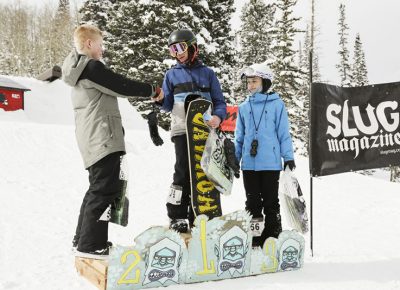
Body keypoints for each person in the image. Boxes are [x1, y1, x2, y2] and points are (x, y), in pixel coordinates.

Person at [62, 24, 162, 259]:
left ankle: (83, 239)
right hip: (102, 136)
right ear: (89, 44)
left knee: (97, 188)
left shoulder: (78, 70)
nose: (103, 49)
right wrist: (152, 90)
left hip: (93, 136)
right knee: (104, 189)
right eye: (100, 44)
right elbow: (120, 85)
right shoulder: (91, 67)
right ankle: (92, 245)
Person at [152, 29, 227, 233]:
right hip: (181, 130)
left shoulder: (208, 74)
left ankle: (201, 213)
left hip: (204, 131)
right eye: (172, 49)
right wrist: (160, 100)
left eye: (180, 47)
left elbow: (220, 102)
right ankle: (177, 215)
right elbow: (167, 104)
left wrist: (218, 117)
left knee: (204, 172)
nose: (177, 53)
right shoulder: (171, 75)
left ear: (192, 46)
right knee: (183, 172)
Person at [234, 62, 295, 248]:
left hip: (270, 163)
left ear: (265, 82)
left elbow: (284, 133)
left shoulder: (277, 105)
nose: (250, 85)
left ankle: (273, 237)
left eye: (255, 81)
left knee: (270, 202)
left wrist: (288, 157)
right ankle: (254, 238)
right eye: (249, 82)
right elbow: (239, 137)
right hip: (249, 165)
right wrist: (236, 160)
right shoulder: (244, 107)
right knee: (252, 202)